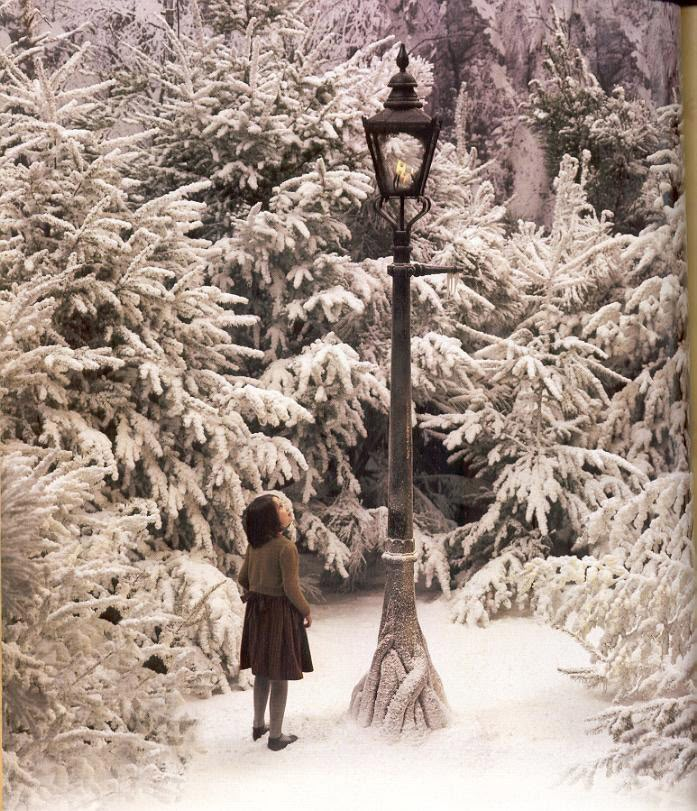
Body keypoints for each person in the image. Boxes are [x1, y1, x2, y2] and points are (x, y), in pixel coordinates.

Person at [238, 493, 313, 751]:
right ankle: (276, 736)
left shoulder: (254, 546)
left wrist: (257, 588)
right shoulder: (286, 548)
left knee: (262, 671)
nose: (285, 508)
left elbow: (243, 577)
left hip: (257, 615)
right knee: (279, 674)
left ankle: (258, 725)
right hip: (279, 616)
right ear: (271, 519)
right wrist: (305, 610)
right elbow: (291, 588)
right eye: (280, 506)